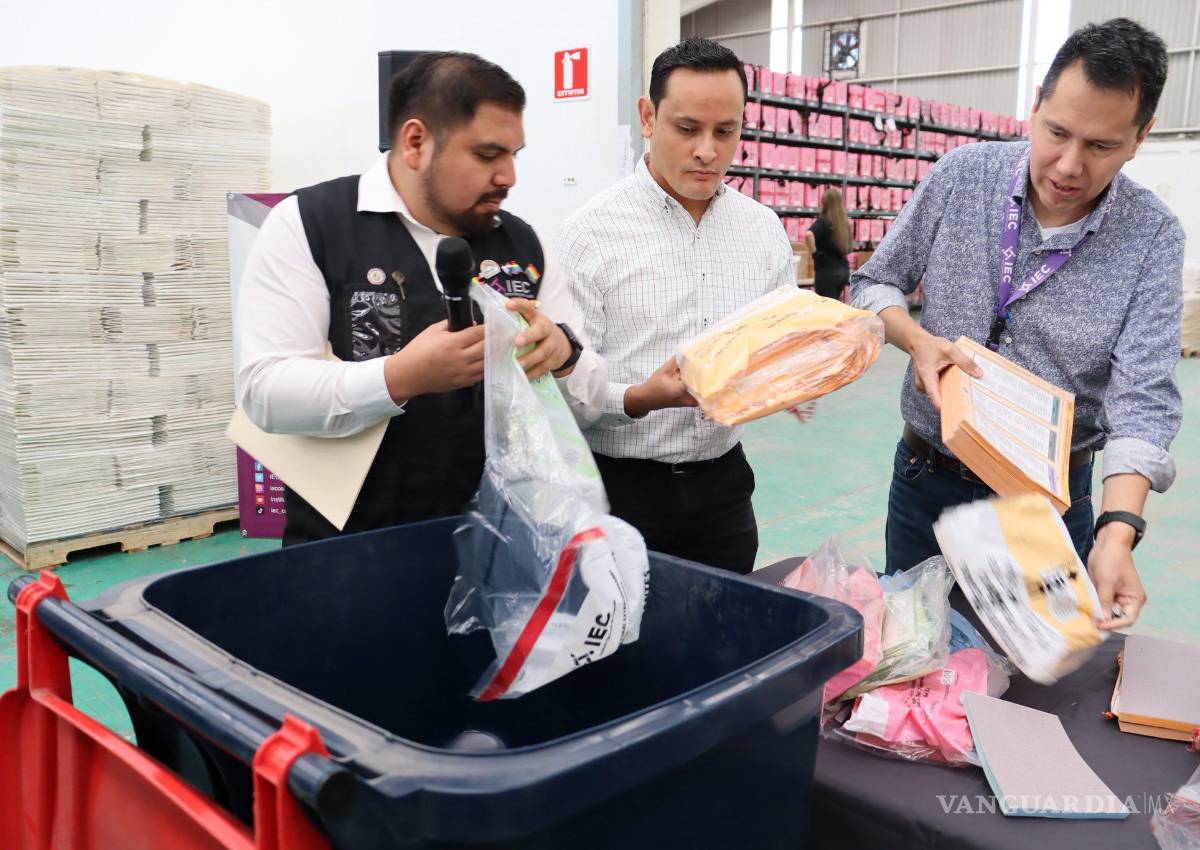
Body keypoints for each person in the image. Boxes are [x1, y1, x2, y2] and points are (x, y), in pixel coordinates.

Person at [850, 18, 1183, 630]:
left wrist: (1117, 531)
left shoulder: (1152, 237)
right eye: (1057, 132)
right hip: (928, 480)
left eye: (1101, 146)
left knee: (1034, 672)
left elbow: (1143, 401)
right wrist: (916, 340)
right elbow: (872, 283)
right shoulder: (963, 177)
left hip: (1047, 507)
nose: (1068, 165)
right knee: (913, 651)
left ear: (1140, 138)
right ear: (1035, 106)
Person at [236, 52, 608, 545]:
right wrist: (399, 377)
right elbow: (266, 392)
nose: (508, 176)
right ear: (416, 142)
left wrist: (563, 356)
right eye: (487, 155)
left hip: (503, 552)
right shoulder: (311, 224)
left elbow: (589, 402)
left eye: (514, 155)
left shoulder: (523, 247)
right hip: (349, 551)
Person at [556, 38, 794, 575]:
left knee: (727, 617)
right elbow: (560, 389)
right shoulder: (589, 235)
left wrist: (794, 372)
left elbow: (778, 336)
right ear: (648, 116)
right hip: (620, 492)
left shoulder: (762, 230)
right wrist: (640, 398)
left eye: (725, 132)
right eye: (687, 129)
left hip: (725, 489)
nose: (707, 151)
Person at [805, 188, 852, 300]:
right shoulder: (844, 223)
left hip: (827, 271)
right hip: (843, 271)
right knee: (834, 303)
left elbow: (808, 234)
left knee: (825, 305)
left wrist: (815, 253)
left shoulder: (824, 221)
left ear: (824, 203)